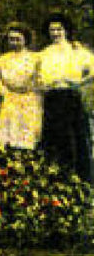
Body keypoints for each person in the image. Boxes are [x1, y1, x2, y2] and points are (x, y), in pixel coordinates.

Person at [35, 15, 94, 180]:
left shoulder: (77, 51)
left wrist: (79, 82)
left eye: (59, 29)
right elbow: (37, 77)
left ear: (66, 30)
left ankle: (78, 177)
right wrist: (43, 84)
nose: (55, 33)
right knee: (54, 137)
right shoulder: (44, 54)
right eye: (52, 30)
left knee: (74, 137)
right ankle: (56, 177)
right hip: (52, 98)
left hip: (70, 97)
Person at [0, 23, 42, 149]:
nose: (14, 42)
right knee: (8, 132)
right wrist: (4, 91)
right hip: (11, 98)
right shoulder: (3, 59)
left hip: (29, 99)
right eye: (11, 39)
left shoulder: (35, 58)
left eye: (18, 39)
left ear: (25, 40)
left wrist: (33, 88)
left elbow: (41, 77)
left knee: (27, 132)